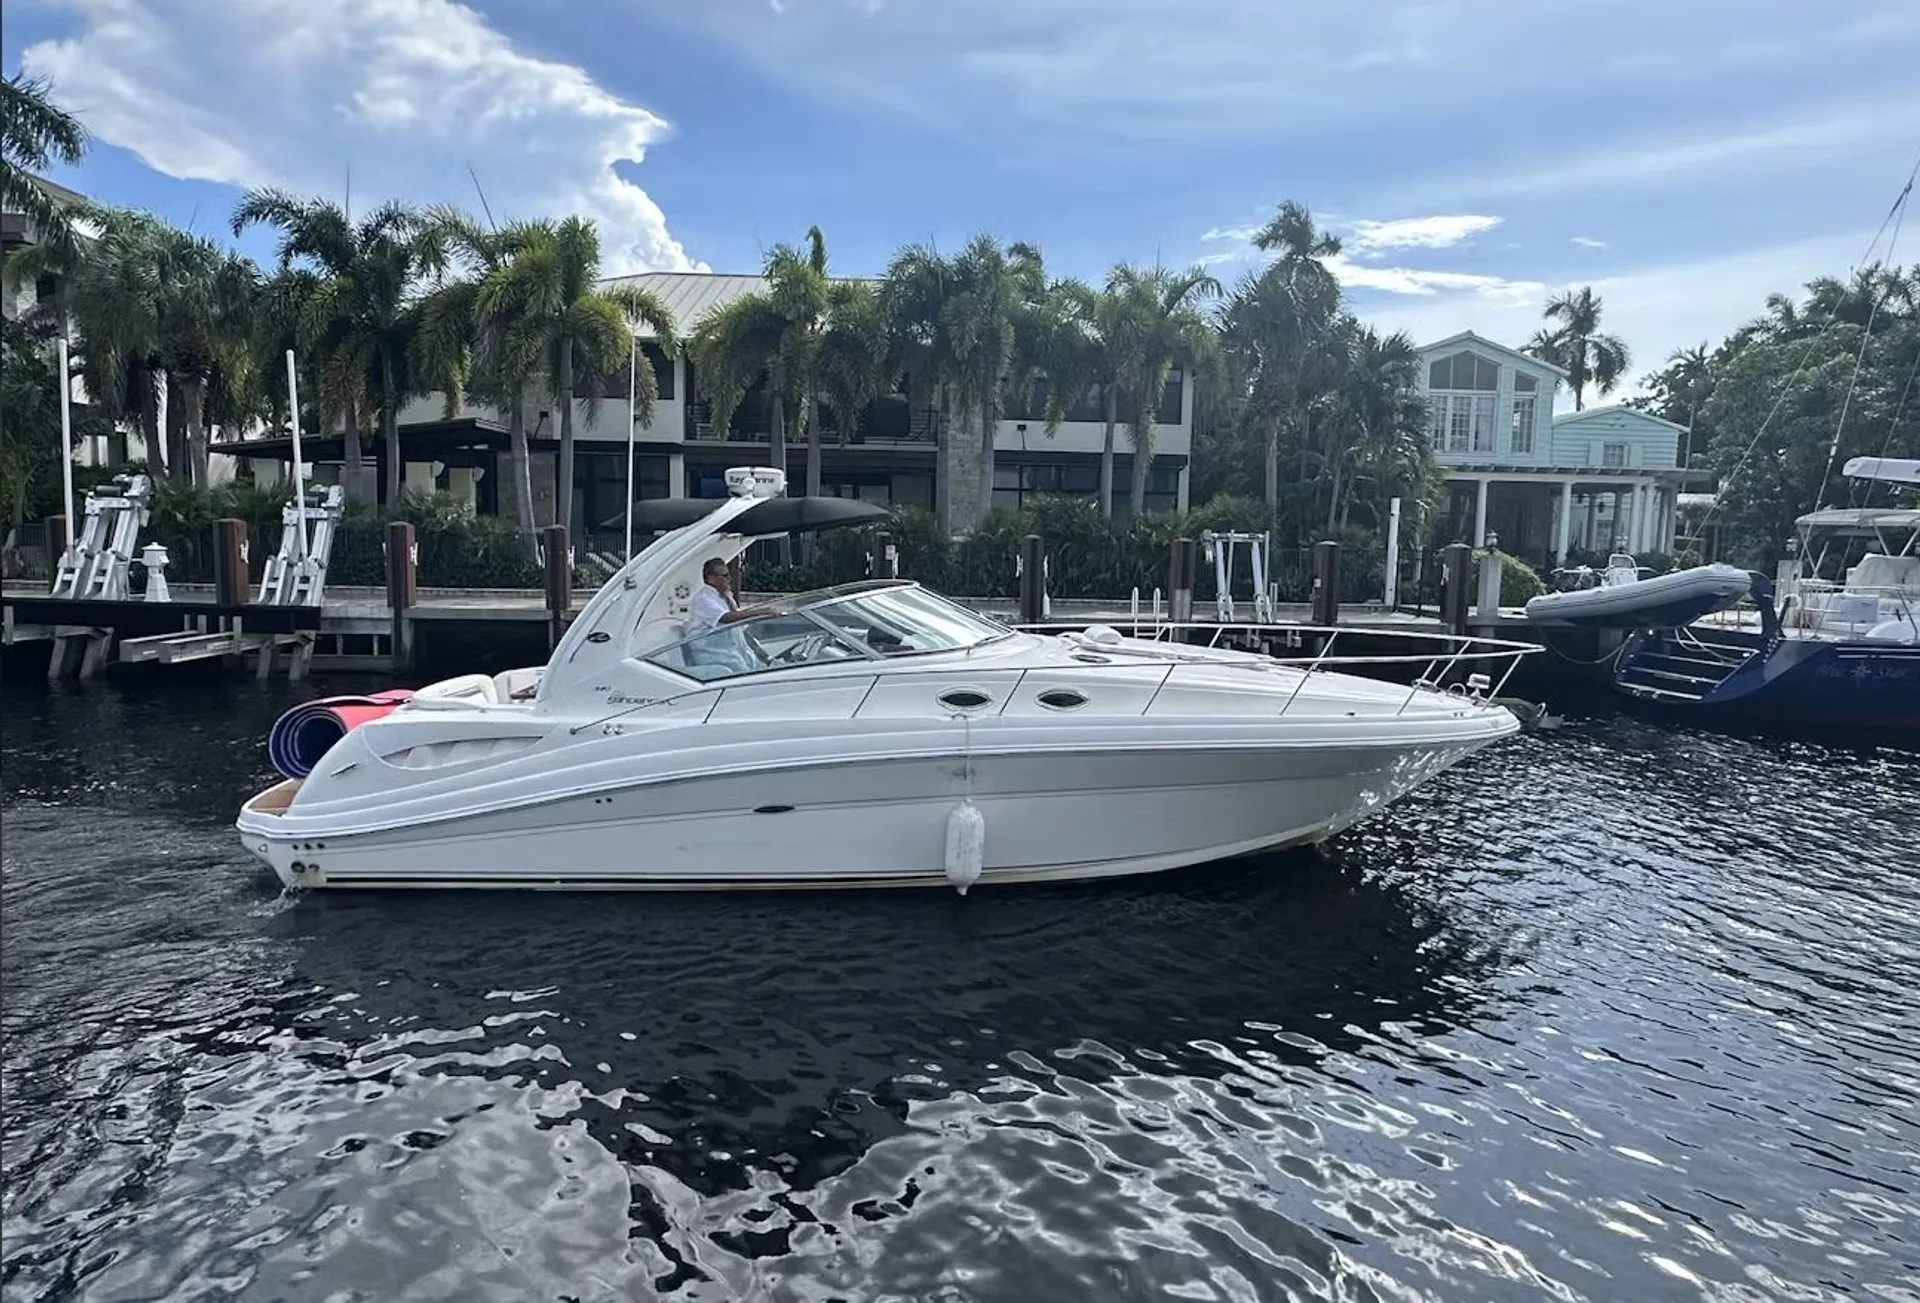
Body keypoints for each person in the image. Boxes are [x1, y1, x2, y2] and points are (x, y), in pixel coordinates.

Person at [683, 558, 770, 673]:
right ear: (712, 578)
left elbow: (739, 623)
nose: (730, 579)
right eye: (725, 575)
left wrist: (764, 656)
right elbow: (728, 618)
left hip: (736, 659)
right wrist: (762, 612)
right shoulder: (703, 598)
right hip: (718, 662)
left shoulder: (724, 596)